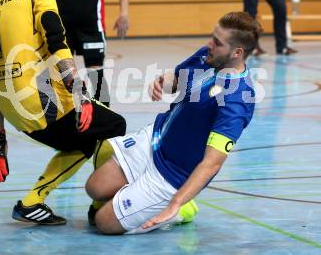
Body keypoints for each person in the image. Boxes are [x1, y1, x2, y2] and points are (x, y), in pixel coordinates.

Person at [0, 0, 126, 226]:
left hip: (15, 113)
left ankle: (33, 203)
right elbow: (57, 40)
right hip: (42, 99)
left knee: (82, 141)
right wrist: (79, 90)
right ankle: (99, 207)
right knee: (114, 125)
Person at [85, 12, 261, 234]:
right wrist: (162, 82)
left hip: (171, 176)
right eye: (212, 37)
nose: (209, 44)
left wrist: (176, 202)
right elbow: (176, 79)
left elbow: (212, 163)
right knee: (93, 188)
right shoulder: (208, 56)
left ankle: (182, 211)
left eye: (217, 42)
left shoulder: (238, 100)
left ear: (237, 52)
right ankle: (137, 199)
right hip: (156, 139)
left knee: (103, 223)